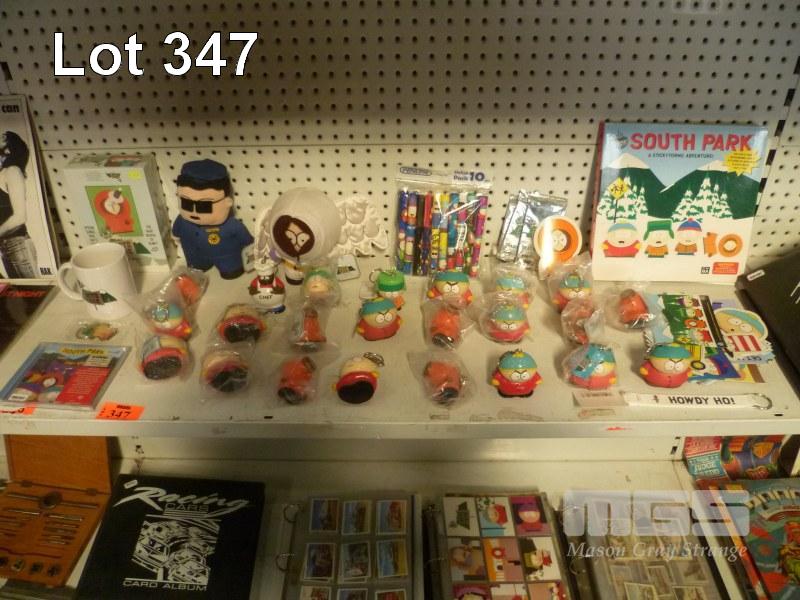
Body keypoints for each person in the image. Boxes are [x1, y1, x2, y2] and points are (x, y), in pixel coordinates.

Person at [0, 131, 37, 278]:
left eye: (3, 137)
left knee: (33, 290)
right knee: (22, 290)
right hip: (6, 246)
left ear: (9, 149)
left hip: (18, 245)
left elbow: (20, 217)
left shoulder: (13, 171)